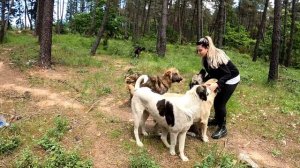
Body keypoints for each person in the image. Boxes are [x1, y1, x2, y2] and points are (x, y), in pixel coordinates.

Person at [196, 36, 240, 139]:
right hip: (223, 77)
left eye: (200, 50)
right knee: (216, 101)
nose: (198, 53)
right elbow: (212, 72)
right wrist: (202, 80)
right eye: (197, 50)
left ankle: (223, 127)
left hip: (231, 79)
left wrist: (218, 84)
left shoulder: (216, 57)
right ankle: (217, 120)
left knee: (220, 103)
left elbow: (227, 74)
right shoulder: (206, 59)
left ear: (207, 48)